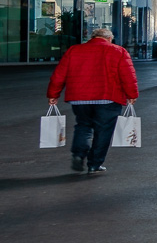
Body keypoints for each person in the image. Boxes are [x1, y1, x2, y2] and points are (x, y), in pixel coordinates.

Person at [47, 26, 139, 174]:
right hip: (108, 98)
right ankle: (94, 164)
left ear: (92, 38)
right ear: (109, 39)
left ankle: (78, 154)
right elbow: (128, 76)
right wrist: (132, 95)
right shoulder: (118, 51)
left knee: (83, 126)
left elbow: (59, 75)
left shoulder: (74, 50)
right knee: (103, 131)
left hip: (79, 99)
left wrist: (53, 94)